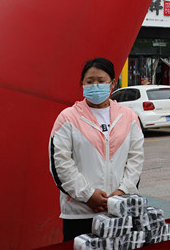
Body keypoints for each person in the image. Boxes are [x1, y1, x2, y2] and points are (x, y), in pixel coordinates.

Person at [49, 57, 145, 241]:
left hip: (119, 212)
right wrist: (88, 195)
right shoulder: (67, 118)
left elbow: (136, 158)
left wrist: (122, 193)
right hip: (79, 213)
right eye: (90, 81)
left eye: (101, 81)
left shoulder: (129, 117)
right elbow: (60, 163)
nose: (95, 85)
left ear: (112, 84)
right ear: (82, 84)